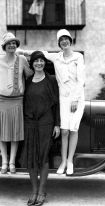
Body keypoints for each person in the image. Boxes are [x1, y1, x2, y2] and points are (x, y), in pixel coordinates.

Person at [0, 32, 33, 174]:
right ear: (4, 46)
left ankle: (12, 162)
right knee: (1, 132)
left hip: (16, 101)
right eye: (9, 43)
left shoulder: (22, 59)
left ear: (16, 46)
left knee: (15, 132)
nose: (12, 45)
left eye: (14, 43)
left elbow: (31, 76)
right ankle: (4, 162)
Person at [44, 29, 85, 175]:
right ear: (59, 43)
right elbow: (42, 54)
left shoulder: (78, 57)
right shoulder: (57, 57)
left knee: (73, 129)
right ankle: (62, 161)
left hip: (77, 98)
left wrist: (75, 99)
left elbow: (81, 80)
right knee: (64, 131)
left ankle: (70, 161)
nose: (64, 42)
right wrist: (22, 51)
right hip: (63, 98)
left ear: (70, 40)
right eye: (61, 40)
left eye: (66, 39)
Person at [21, 51, 60, 206]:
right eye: (36, 61)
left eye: (41, 60)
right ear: (32, 64)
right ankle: (34, 191)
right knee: (31, 158)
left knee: (43, 158)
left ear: (44, 63)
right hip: (29, 123)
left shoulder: (51, 80)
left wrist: (57, 124)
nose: (39, 63)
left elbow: (56, 104)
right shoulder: (28, 81)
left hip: (46, 122)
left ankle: (42, 192)